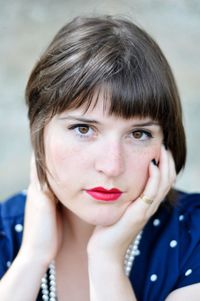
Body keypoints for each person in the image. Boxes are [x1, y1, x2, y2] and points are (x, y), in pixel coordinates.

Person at [0, 15, 199, 301]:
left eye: (139, 134)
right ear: (39, 129)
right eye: (83, 129)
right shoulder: (6, 235)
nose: (111, 166)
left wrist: (106, 261)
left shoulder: (193, 238)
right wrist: (32, 258)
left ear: (165, 143)